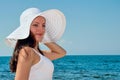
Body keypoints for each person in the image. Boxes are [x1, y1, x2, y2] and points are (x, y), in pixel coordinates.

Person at [5, 8, 66, 80]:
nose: (41, 29)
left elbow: (61, 53)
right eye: (35, 25)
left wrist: (43, 37)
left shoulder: (38, 54)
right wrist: (40, 35)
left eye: (43, 25)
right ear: (26, 29)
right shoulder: (27, 52)